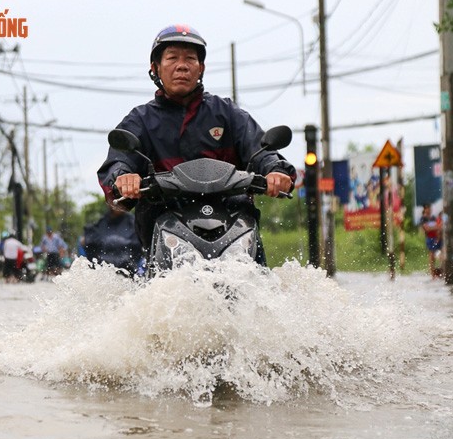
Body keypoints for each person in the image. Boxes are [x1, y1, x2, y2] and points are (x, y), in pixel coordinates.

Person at [97, 24, 296, 265]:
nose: (182, 65)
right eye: (172, 58)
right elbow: (118, 161)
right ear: (155, 68)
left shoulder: (227, 114)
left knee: (266, 289)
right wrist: (123, 178)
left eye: (190, 58)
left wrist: (276, 170)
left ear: (200, 68)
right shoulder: (140, 121)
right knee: (147, 295)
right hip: (167, 225)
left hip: (233, 224)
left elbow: (261, 151)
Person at [82, 206, 144, 276]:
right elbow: (86, 242)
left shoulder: (134, 223)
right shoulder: (100, 223)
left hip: (128, 272)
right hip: (103, 273)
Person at [419, 204, 443, 279]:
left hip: (437, 237)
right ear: (425, 209)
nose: (429, 210)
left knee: (441, 253)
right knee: (432, 255)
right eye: (428, 208)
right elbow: (427, 229)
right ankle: (432, 273)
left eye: (430, 208)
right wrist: (436, 227)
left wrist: (436, 229)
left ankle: (440, 270)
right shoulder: (423, 218)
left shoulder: (433, 218)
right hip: (430, 238)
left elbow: (439, 227)